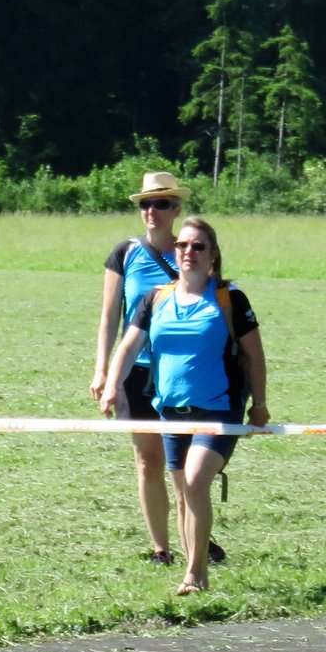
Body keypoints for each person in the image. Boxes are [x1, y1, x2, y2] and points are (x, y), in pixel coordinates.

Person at [99, 216, 268, 596]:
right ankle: (194, 568)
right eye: (182, 246)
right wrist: (112, 386)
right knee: (183, 495)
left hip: (219, 409)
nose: (188, 252)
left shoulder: (229, 298)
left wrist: (259, 404)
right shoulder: (156, 298)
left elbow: (255, 357)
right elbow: (129, 346)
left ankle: (195, 573)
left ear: (213, 255)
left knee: (194, 482)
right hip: (171, 412)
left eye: (197, 246)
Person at [91, 172, 187, 564]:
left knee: (183, 465)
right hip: (135, 371)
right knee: (148, 461)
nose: (152, 211)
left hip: (180, 372)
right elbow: (109, 316)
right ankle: (161, 548)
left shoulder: (191, 251)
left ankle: (196, 539)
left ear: (176, 209)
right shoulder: (125, 254)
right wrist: (102, 370)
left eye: (161, 204)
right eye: (146, 204)